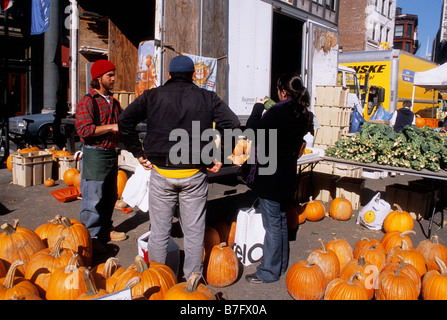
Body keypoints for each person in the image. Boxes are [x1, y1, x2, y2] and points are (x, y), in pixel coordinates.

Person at [118, 55, 240, 280]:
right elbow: (232, 124)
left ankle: (157, 280)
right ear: (193, 75)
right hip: (194, 174)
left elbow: (124, 120)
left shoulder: (152, 96)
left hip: (162, 173)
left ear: (169, 75)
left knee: (159, 233)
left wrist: (138, 152)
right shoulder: (207, 97)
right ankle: (192, 281)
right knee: (193, 234)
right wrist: (220, 156)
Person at [244, 73, 312, 284]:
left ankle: (269, 272)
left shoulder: (278, 112)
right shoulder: (303, 113)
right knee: (281, 220)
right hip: (287, 174)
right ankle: (280, 265)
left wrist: (257, 107)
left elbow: (252, 131)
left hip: (271, 175)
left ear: (283, 91)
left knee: (272, 223)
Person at [75, 59, 127, 254]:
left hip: (110, 155)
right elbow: (84, 130)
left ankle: (105, 230)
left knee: (109, 196)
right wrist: (111, 127)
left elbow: (123, 125)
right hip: (95, 156)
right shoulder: (87, 102)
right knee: (92, 199)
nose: (113, 78)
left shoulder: (113, 102)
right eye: (109, 75)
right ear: (98, 78)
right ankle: (90, 237)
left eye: (113, 74)